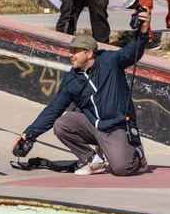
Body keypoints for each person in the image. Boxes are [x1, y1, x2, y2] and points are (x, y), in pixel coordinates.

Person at [14, 23, 151, 176]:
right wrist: (29, 134)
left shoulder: (110, 61)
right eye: (70, 51)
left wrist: (143, 31)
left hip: (117, 126)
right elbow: (53, 109)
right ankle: (92, 159)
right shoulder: (71, 79)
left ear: (89, 53)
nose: (70, 55)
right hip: (93, 125)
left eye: (75, 52)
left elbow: (131, 52)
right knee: (61, 124)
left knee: (122, 168)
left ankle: (137, 151)